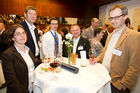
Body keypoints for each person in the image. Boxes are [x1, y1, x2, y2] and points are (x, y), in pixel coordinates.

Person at [93, 4, 140, 93]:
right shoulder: (110, 35)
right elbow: (104, 51)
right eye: (111, 18)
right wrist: (97, 59)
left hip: (118, 84)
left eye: (117, 17)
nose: (113, 21)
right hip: (104, 78)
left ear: (125, 17)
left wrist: (125, 84)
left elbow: (135, 65)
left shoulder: (134, 36)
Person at [1, 24, 41, 93]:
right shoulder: (7, 55)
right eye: (18, 34)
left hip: (32, 88)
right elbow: (12, 81)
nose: (22, 36)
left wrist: (42, 61)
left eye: (23, 33)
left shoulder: (28, 50)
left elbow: (32, 66)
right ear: (12, 38)